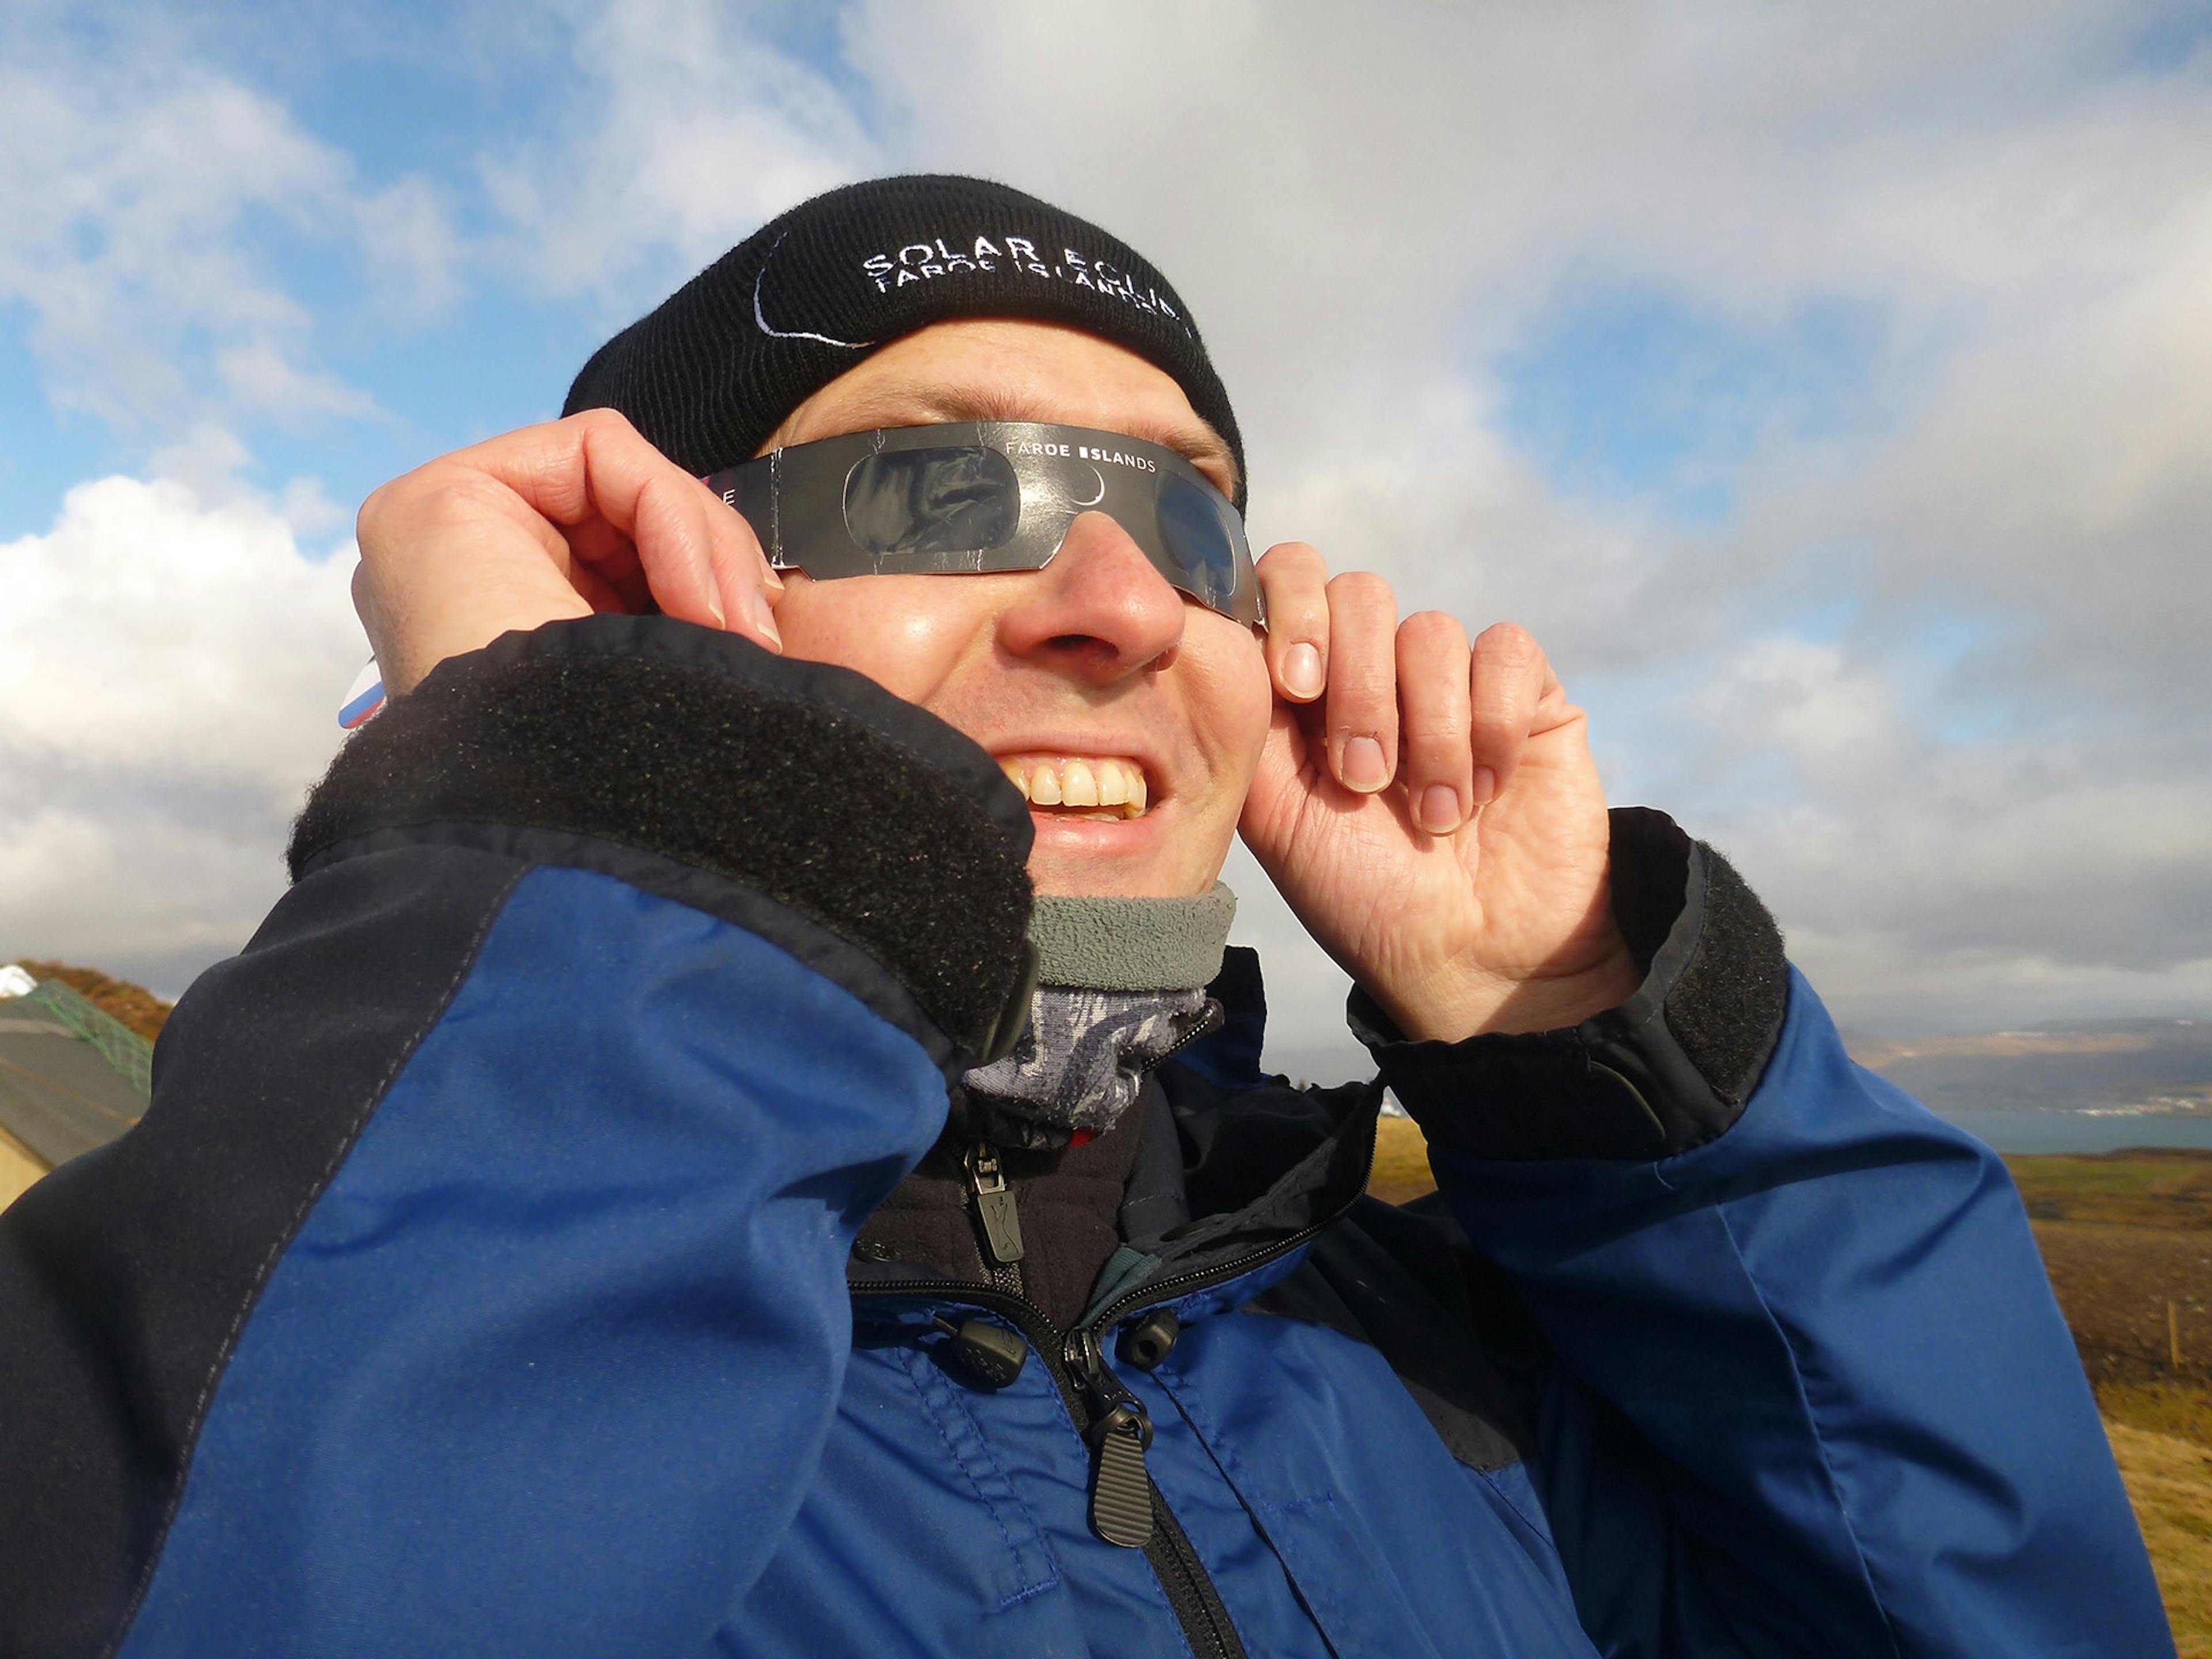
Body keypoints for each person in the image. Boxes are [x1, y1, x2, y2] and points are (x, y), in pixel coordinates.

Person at [0, 176, 2172, 1658]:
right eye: (947, 489)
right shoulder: (255, 1334)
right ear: (636, 587)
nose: (1121, 603)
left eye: (1190, 517)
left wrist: (1592, 1036)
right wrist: (597, 817)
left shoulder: (1454, 1359)